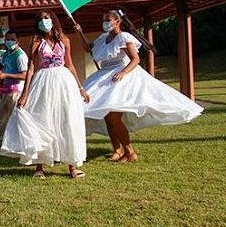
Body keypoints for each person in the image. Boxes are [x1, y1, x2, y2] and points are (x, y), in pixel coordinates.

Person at [79, 10, 203, 162]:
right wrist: (79, 33)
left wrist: (123, 73)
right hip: (104, 76)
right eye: (104, 20)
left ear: (117, 22)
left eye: (108, 20)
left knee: (113, 117)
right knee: (107, 116)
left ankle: (130, 151)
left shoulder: (123, 37)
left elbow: (135, 59)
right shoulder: (103, 38)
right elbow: (88, 49)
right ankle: (117, 150)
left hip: (120, 77)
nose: (105, 23)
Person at [0, 11, 89, 179]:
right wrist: (25, 93)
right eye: (40, 19)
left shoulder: (64, 40)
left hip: (64, 83)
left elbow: (70, 64)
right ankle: (39, 166)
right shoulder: (36, 41)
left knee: (68, 120)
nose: (44, 21)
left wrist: (80, 88)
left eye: (47, 18)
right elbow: (31, 67)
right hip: (43, 82)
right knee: (42, 119)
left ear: (53, 20)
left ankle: (72, 166)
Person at [0, 31, 29, 148]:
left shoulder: (20, 55)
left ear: (18, 41)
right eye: (7, 39)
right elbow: (2, 68)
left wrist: (6, 75)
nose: (9, 41)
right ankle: (1, 140)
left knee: (16, 117)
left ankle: (19, 141)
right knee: (1, 117)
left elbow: (24, 75)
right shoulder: (6, 53)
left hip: (16, 90)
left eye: (12, 39)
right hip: (4, 89)